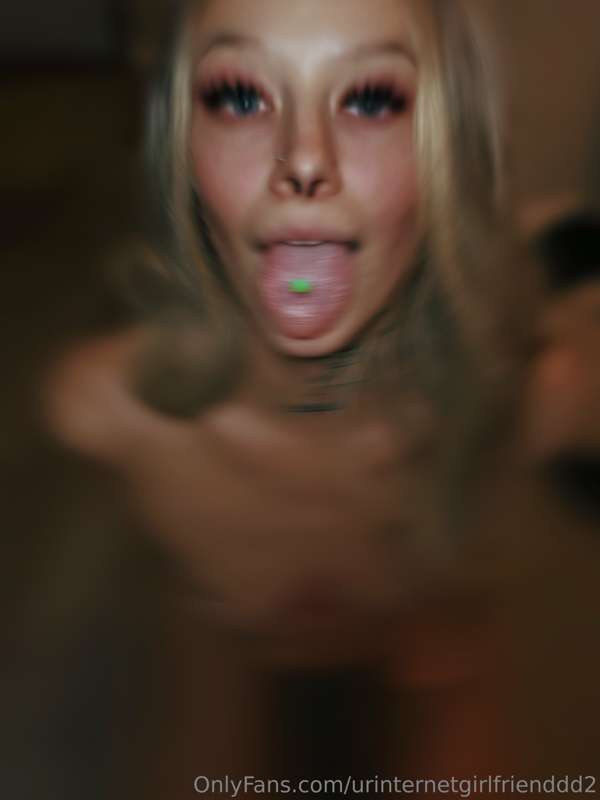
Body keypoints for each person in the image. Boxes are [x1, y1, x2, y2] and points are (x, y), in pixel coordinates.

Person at [42, 0, 516, 792]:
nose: (303, 161)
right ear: (179, 148)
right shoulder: (96, 415)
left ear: (453, 148)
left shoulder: (518, 409)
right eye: (240, 96)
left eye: (370, 98)